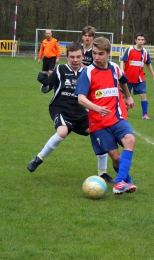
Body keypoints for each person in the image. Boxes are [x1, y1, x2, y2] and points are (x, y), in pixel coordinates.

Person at [27, 42, 114, 183]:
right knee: (62, 132)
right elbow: (45, 90)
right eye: (72, 57)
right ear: (66, 57)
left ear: (83, 56)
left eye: (78, 57)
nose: (75, 60)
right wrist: (44, 83)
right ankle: (38, 159)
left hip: (80, 111)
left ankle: (102, 173)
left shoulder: (88, 72)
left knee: (99, 133)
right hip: (60, 108)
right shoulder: (60, 69)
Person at [75, 37, 137, 194]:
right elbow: (80, 98)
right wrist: (97, 108)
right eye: (94, 53)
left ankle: (118, 183)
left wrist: (128, 96)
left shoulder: (115, 68)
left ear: (109, 53)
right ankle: (126, 181)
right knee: (116, 157)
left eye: (101, 54)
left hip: (117, 117)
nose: (96, 57)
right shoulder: (88, 72)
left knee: (130, 139)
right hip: (98, 123)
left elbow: (123, 80)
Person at [81, 25, 111, 181]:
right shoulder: (79, 51)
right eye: (85, 35)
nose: (87, 37)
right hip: (80, 98)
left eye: (89, 35)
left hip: (94, 99)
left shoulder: (97, 55)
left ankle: (103, 172)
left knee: (101, 134)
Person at [120, 32, 154, 120]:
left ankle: (145, 114)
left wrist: (153, 74)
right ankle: (122, 112)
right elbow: (122, 61)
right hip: (127, 78)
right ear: (135, 40)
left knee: (143, 94)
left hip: (140, 78)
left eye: (142, 40)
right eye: (139, 39)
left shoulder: (145, 52)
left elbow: (149, 64)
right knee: (122, 95)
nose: (140, 41)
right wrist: (122, 70)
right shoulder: (130, 49)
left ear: (144, 41)